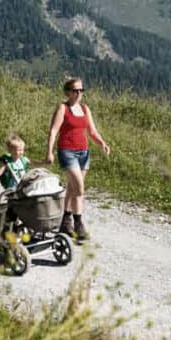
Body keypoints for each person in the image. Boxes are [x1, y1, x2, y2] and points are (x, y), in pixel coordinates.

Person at [45, 76, 111, 242]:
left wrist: (102, 143)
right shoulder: (63, 108)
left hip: (83, 152)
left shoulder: (85, 108)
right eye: (75, 90)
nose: (79, 93)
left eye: (81, 90)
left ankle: (65, 221)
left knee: (72, 188)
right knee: (79, 188)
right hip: (67, 151)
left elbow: (92, 131)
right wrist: (49, 152)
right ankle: (78, 224)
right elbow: (53, 131)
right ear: (67, 92)